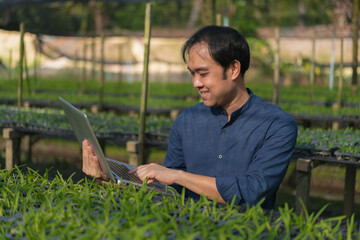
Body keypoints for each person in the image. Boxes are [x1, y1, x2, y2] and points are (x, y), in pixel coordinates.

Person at [82, 25, 297, 209]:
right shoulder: (187, 120)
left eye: (203, 74)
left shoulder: (277, 125)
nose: (195, 83)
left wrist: (178, 175)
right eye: (192, 74)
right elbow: (169, 191)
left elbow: (252, 192)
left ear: (233, 69)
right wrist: (112, 179)